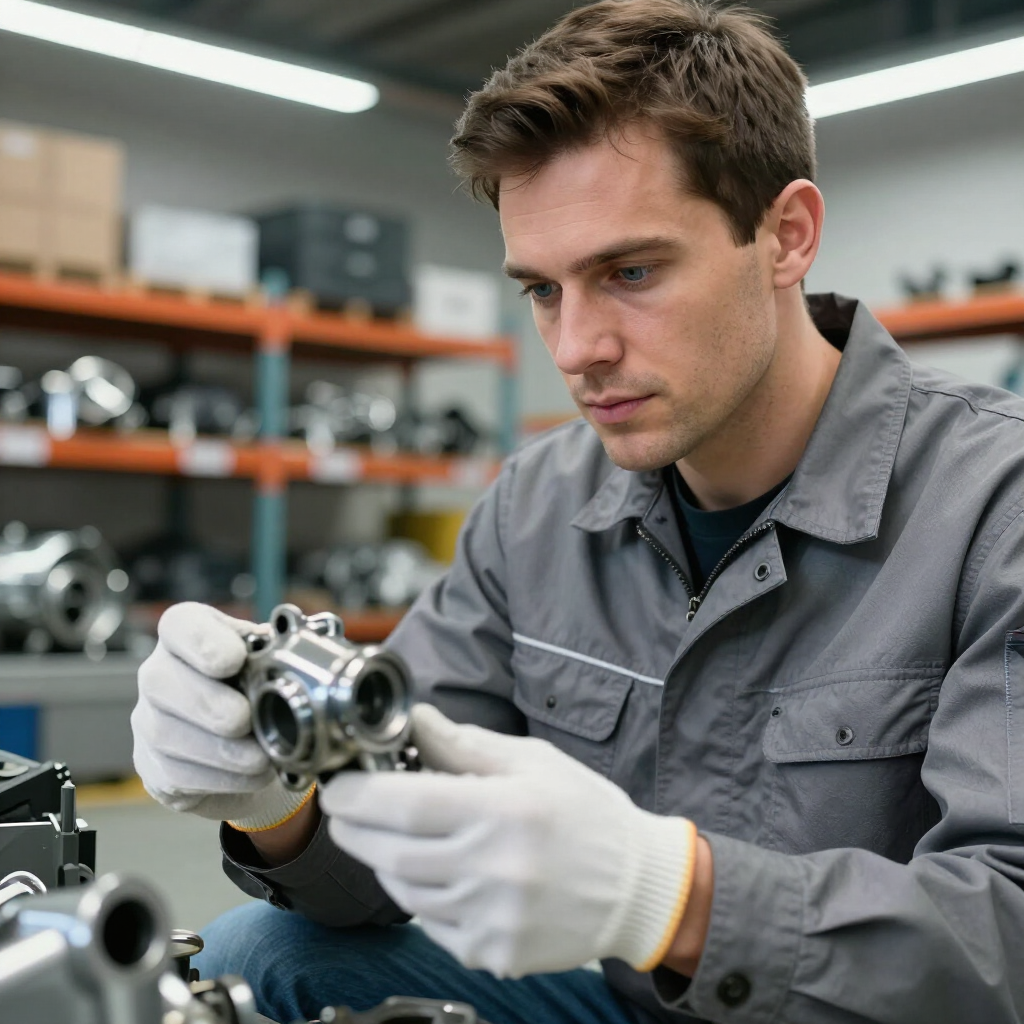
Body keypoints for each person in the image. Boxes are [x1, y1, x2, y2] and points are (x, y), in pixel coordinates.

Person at [131, 2, 1024, 1023]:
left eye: (629, 272)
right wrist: (278, 801)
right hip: (620, 1000)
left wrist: (666, 892)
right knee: (259, 957)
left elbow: (1006, 934)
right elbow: (387, 854)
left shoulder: (996, 505)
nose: (574, 348)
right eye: (543, 291)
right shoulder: (535, 508)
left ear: (785, 236)